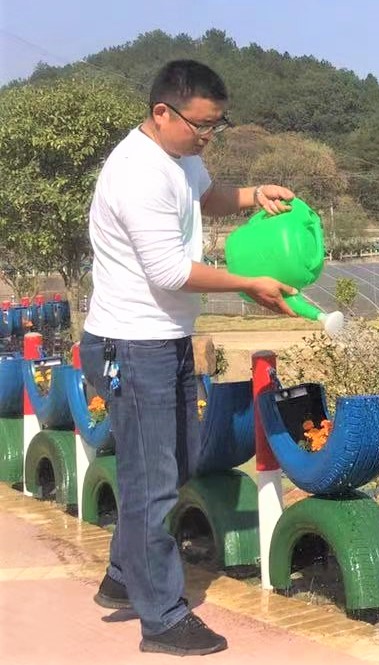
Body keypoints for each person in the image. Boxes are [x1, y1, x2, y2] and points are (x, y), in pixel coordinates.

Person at [79, 59, 296, 656]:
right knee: (153, 484)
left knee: (173, 468)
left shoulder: (179, 159)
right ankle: (164, 619)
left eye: (216, 126)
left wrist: (253, 195)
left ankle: (124, 577)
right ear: (161, 112)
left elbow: (206, 194)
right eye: (201, 124)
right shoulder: (135, 174)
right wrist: (249, 283)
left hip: (164, 339)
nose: (207, 136)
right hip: (130, 345)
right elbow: (171, 271)